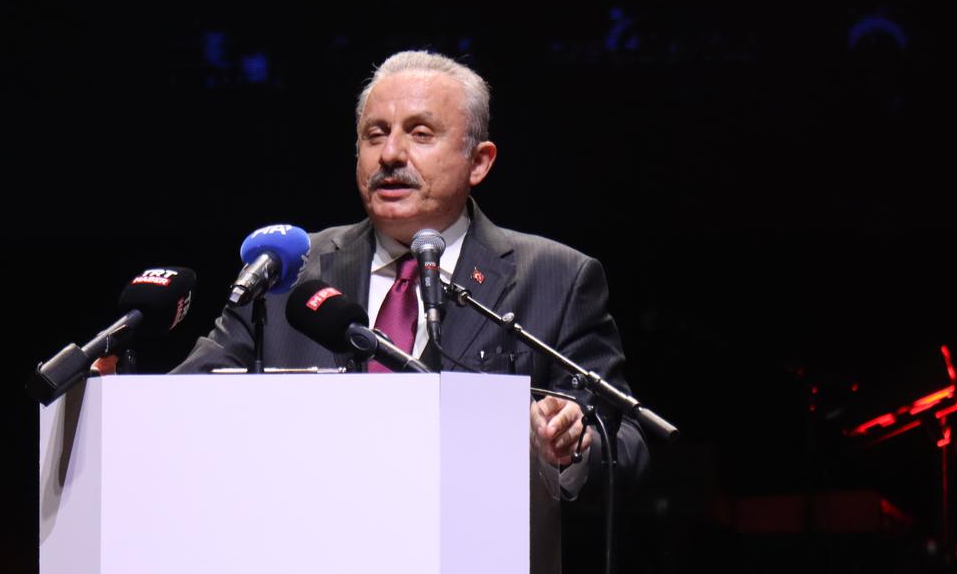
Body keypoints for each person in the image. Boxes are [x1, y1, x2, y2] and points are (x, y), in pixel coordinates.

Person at [173, 50, 647, 498]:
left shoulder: (555, 277)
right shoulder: (288, 269)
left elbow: (627, 445)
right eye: (375, 134)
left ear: (479, 162)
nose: (391, 154)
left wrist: (571, 447)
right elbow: (182, 402)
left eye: (420, 134)